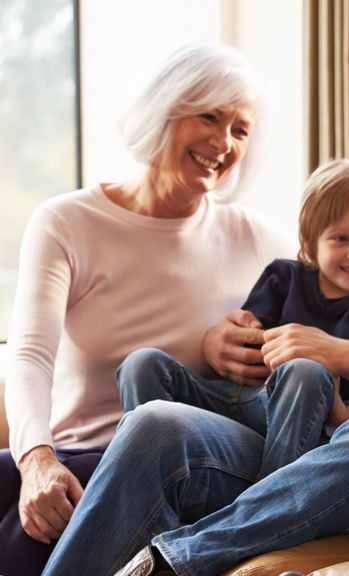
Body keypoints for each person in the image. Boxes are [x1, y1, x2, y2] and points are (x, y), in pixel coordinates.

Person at [42, 72, 349, 576]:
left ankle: (177, 557)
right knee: (155, 422)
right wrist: (221, 337)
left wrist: (343, 356)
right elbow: (330, 262)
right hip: (298, 454)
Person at [0, 42, 294, 576]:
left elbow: (300, 364)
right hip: (72, 452)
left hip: (170, 468)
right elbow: (29, 355)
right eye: (209, 115)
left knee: (29, 531)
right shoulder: (66, 222)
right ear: (166, 106)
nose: (223, 142)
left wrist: (240, 351)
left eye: (240, 130)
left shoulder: (262, 241)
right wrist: (35, 458)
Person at [117, 159, 349, 481]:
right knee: (142, 363)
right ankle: (148, 478)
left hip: (299, 420)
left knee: (305, 370)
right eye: (341, 239)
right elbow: (246, 338)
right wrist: (239, 332)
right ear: (310, 242)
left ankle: (267, 500)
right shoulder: (283, 276)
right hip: (239, 396)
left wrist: (348, 413)